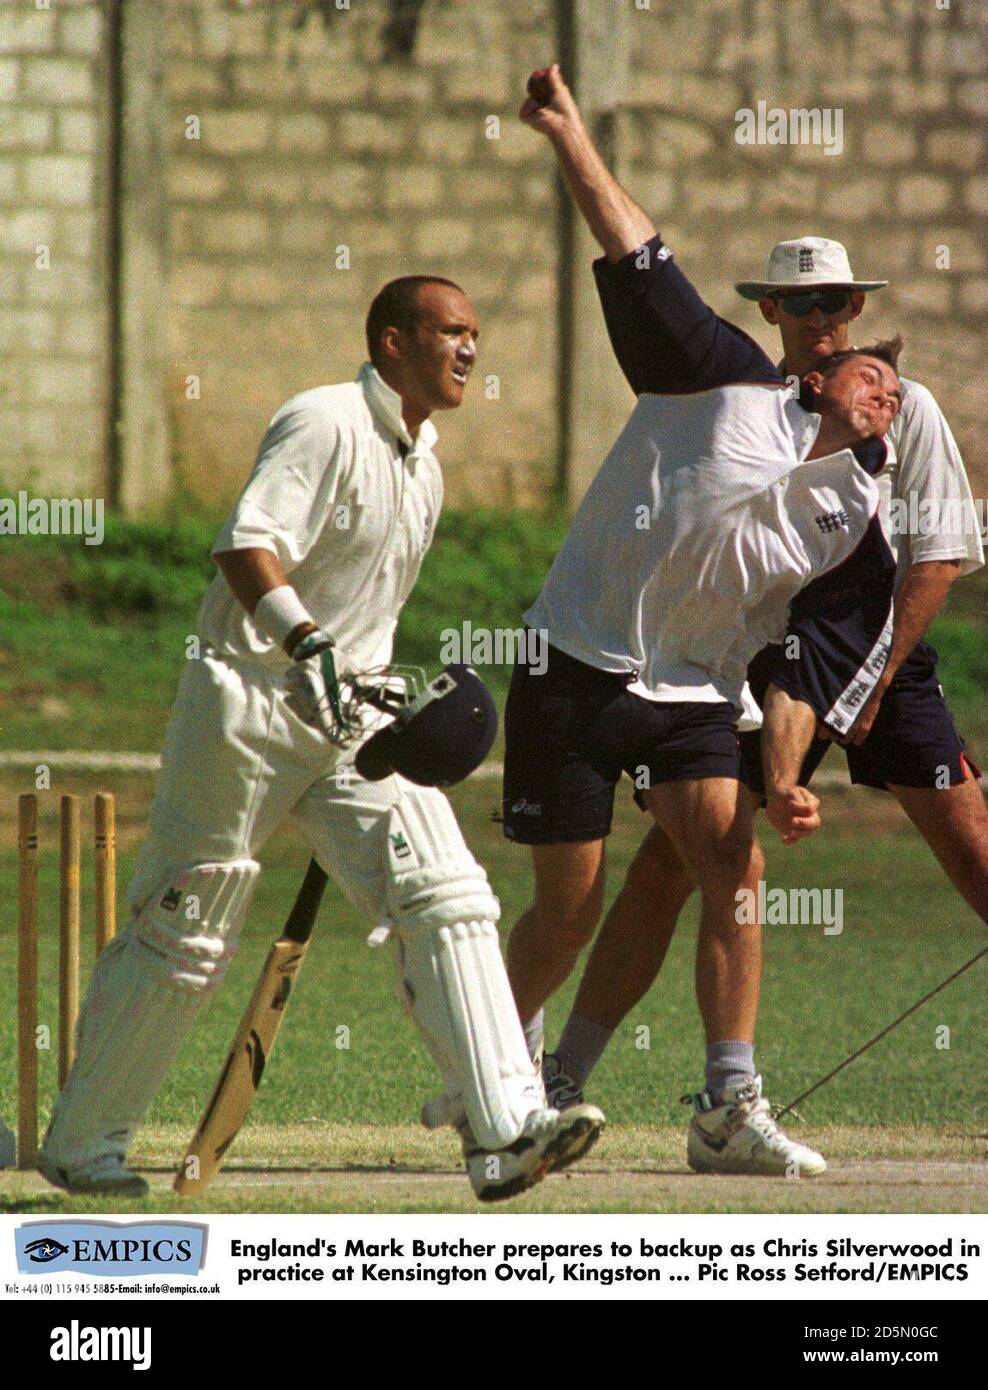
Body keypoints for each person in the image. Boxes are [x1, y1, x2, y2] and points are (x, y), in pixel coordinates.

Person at [39, 274, 604, 1202]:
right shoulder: (324, 419)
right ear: (392, 340)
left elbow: (368, 612)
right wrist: (306, 640)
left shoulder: (425, 463)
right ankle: (84, 1145)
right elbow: (245, 542)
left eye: (475, 334)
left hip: (351, 721)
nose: (470, 350)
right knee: (189, 924)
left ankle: (505, 1129)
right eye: (450, 332)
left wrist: (374, 687)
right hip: (247, 704)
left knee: (449, 892)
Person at [522, 67, 986, 1164]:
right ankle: (550, 1080)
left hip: (872, 655)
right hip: (684, 661)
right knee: (656, 872)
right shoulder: (721, 385)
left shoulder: (887, 431)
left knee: (959, 851)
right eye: (807, 309)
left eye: (846, 312)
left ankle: (699, 1097)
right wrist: (569, 133)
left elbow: (929, 561)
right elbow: (639, 257)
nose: (834, 334)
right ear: (774, 317)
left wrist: (844, 714)